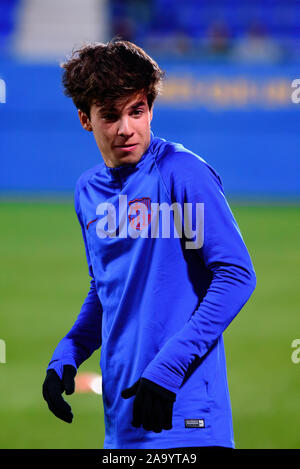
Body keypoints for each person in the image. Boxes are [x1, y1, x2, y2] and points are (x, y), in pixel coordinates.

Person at [42, 39, 256, 449]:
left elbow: (236, 275)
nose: (126, 128)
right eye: (110, 115)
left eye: (136, 111)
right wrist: (69, 351)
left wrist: (169, 368)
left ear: (150, 109)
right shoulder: (87, 191)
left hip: (188, 415)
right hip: (123, 420)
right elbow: (105, 290)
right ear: (85, 118)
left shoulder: (181, 173)